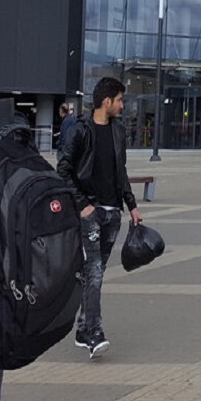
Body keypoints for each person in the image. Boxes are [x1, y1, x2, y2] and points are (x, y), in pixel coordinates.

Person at [57, 76, 143, 360]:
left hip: (112, 213)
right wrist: (82, 205)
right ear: (106, 101)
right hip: (90, 213)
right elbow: (63, 170)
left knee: (95, 273)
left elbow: (121, 171)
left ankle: (83, 330)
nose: (122, 105)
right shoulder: (80, 130)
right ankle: (94, 333)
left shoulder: (118, 130)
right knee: (93, 272)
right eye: (119, 100)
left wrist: (131, 205)